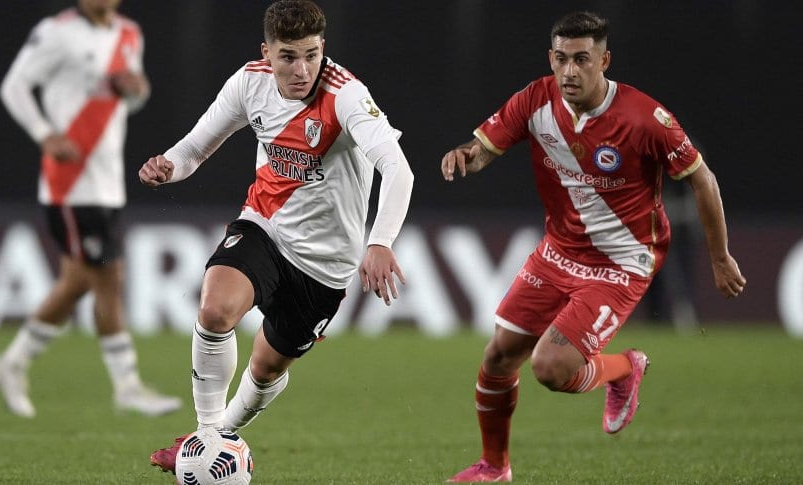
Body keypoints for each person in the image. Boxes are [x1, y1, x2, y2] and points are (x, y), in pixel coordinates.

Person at [441, 11, 746, 482]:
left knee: (550, 366)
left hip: (623, 260)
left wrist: (719, 256)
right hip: (559, 250)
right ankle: (494, 467)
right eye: (561, 58)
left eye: (581, 59)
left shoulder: (645, 118)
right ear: (550, 58)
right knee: (498, 356)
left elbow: (702, 179)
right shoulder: (535, 100)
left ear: (604, 61)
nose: (569, 71)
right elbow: (484, 150)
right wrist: (466, 155)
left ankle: (624, 369)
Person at [140, 0, 414, 474]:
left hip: (326, 265)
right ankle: (205, 439)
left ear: (322, 48)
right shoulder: (249, 83)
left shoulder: (346, 95)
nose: (302, 69)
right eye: (288, 56)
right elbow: (195, 149)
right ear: (267, 53)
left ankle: (217, 435)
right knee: (215, 310)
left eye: (311, 55)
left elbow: (398, 169)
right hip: (264, 227)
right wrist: (168, 166)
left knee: (266, 368)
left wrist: (380, 241)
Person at [0, 0, 182, 418]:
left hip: (107, 182)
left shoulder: (130, 33)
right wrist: (45, 135)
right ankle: (127, 386)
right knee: (110, 276)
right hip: (71, 182)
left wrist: (136, 91)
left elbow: (132, 101)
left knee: (77, 282)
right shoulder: (56, 32)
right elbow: (14, 86)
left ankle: (12, 363)